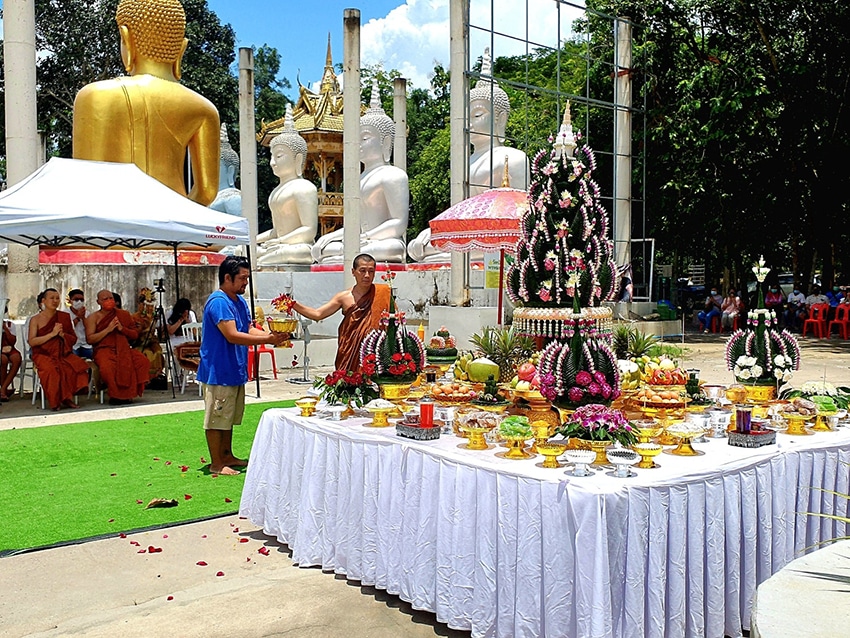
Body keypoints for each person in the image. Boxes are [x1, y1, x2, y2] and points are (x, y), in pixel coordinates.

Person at [72, 0, 220, 206]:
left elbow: (87, 186)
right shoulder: (203, 108)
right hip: (174, 225)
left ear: (126, 37)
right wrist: (179, 218)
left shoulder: (95, 96)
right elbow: (207, 192)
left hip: (112, 226)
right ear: (181, 48)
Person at [408, 47, 529, 263]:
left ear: (500, 119)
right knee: (418, 247)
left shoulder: (512, 157)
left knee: (487, 246)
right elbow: (458, 212)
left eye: (477, 114)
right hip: (466, 237)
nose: (469, 122)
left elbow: (522, 216)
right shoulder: (464, 163)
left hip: (495, 239)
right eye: (466, 116)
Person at [197, 256, 287, 475]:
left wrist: (270, 335)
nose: (246, 283)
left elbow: (246, 328)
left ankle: (227, 455)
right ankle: (217, 463)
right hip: (218, 370)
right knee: (217, 418)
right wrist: (268, 339)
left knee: (228, 417)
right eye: (243, 278)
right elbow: (232, 335)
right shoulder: (219, 302)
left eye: (247, 278)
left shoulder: (239, 301)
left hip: (234, 369)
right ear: (227, 278)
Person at [312, 82, 408, 263]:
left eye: (364, 138)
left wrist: (366, 237)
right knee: (324, 248)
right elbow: (354, 226)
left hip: (382, 242)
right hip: (360, 242)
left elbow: (399, 223)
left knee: (391, 248)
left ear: (385, 142)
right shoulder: (357, 180)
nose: (359, 145)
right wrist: (330, 237)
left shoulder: (393, 175)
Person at [291, 253, 391, 373]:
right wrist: (293, 305)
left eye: (371, 271)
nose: (367, 275)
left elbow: (394, 321)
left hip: (373, 350)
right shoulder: (343, 297)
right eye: (362, 270)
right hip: (350, 350)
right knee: (348, 381)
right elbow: (318, 314)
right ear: (353, 272)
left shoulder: (383, 293)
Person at [256, 104, 319, 265]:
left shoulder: (304, 188)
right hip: (278, 245)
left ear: (297, 159)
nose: (272, 163)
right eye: (272, 156)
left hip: (298, 247)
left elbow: (309, 231)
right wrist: (252, 241)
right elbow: (276, 231)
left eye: (279, 156)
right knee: (243, 251)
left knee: (284, 253)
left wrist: (282, 241)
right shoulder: (275, 192)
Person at [27, 288, 90, 410]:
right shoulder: (35, 319)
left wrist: (63, 336)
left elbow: (73, 339)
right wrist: (51, 334)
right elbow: (32, 341)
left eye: (57, 298)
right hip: (43, 354)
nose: (55, 301)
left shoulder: (64, 317)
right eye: (52, 298)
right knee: (52, 371)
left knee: (77, 367)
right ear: (43, 301)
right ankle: (55, 402)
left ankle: (67, 398)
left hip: (62, 353)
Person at [85, 289, 150, 405]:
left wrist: (122, 329)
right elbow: (90, 339)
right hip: (103, 350)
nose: (109, 301)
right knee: (108, 367)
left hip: (123, 348)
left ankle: (129, 394)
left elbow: (134, 334)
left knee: (142, 361)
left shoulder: (123, 315)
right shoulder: (93, 317)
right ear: (98, 302)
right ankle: (116, 396)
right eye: (105, 299)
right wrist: (108, 330)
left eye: (111, 298)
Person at [209, 124, 243, 217]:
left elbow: (241, 228)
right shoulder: (211, 199)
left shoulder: (233, 198)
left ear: (230, 171)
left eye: (216, 167)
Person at [131, 288, 164, 381]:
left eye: (151, 306)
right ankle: (145, 378)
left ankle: (156, 377)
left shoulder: (155, 316)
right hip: (139, 343)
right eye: (146, 305)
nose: (150, 308)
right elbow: (133, 335)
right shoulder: (135, 317)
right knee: (147, 354)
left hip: (152, 342)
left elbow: (161, 333)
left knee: (158, 352)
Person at [1, 303, 23, 401]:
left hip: (9, 347)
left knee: (17, 358)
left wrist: (5, 329)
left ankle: (3, 388)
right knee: (3, 360)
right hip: (1, 350)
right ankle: (4, 390)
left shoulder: (10, 325)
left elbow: (13, 341)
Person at [65, 288, 93, 359]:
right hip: (73, 345)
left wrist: (83, 318)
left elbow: (89, 328)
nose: (79, 302)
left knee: (95, 355)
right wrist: (78, 317)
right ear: (70, 301)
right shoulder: (65, 313)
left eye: (82, 300)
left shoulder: (88, 313)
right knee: (72, 358)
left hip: (85, 344)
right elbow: (67, 328)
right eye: (76, 300)